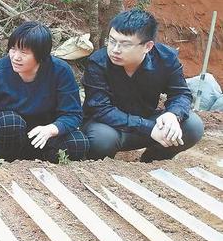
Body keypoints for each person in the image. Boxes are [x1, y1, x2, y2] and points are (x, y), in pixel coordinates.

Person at [82, 9, 204, 161]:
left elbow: (181, 94)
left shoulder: (166, 59)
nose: (115, 50)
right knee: (101, 139)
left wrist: (173, 114)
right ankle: (103, 166)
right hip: (110, 127)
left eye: (125, 45)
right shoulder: (98, 63)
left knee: (192, 126)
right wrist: (147, 127)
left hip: (147, 122)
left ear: (148, 46)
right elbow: (100, 109)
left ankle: (152, 159)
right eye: (112, 41)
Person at [0, 22, 88, 163]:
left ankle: (47, 164)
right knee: (9, 122)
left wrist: (52, 129)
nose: (15, 57)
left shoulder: (60, 71)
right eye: (13, 49)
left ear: (41, 55)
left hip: (45, 135)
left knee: (78, 143)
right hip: (9, 135)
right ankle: (6, 161)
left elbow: (73, 114)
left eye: (24, 52)